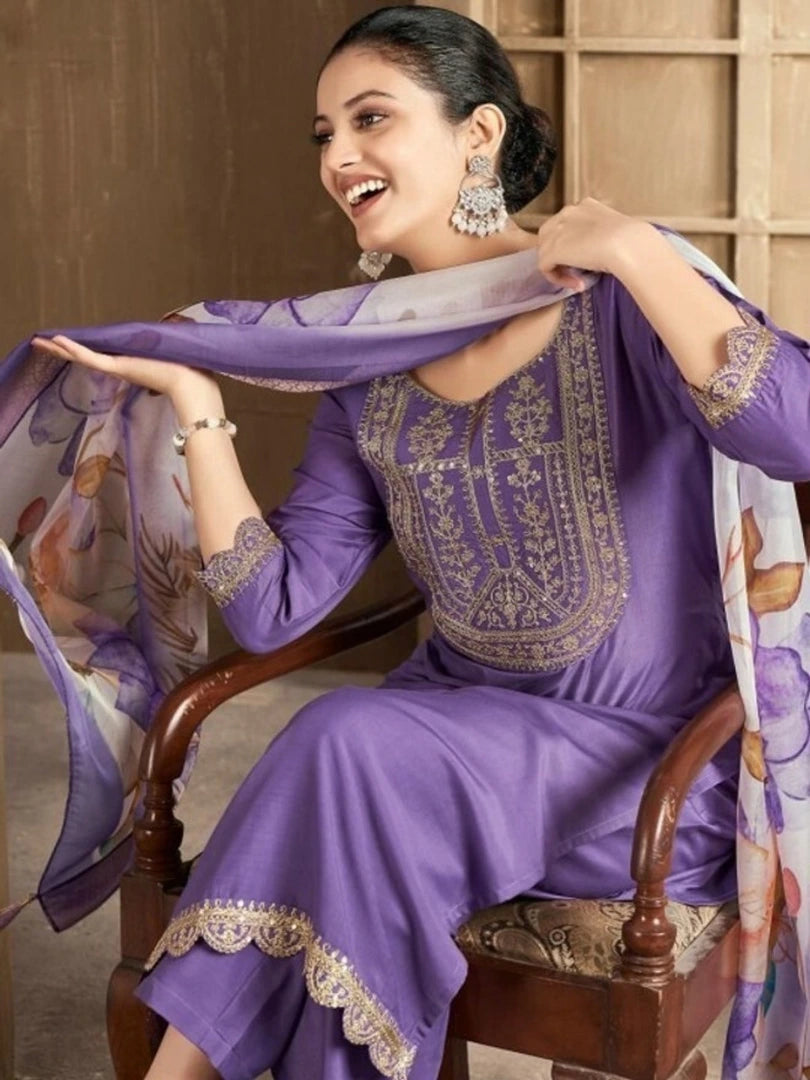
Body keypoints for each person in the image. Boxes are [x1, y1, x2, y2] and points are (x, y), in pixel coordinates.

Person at [27, 6, 810, 1080]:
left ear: (478, 136)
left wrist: (638, 250)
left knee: (342, 749)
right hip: (446, 749)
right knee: (346, 763)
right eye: (324, 134)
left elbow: (795, 435)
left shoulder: (620, 300)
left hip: (638, 769)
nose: (339, 156)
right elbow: (275, 607)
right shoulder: (368, 368)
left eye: (371, 118)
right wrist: (199, 411)